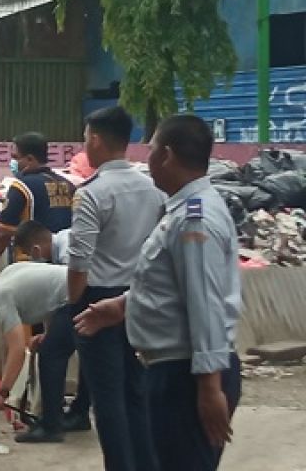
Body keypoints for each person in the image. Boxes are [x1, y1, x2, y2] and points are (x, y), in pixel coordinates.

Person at [76, 115, 242, 471]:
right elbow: (172, 288)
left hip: (186, 374)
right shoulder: (181, 210)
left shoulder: (194, 218)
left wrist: (209, 387)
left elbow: (205, 302)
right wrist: (122, 307)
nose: (145, 157)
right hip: (175, 369)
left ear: (165, 155)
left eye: (150, 148)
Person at [67, 106, 162, 471]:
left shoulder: (93, 192)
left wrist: (72, 303)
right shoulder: (151, 186)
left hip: (98, 298)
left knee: (107, 398)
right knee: (136, 390)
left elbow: (79, 260)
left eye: (85, 138)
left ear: (95, 139)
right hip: (138, 296)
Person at [0, 263, 70, 442]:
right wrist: (48, 333)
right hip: (77, 288)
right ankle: (74, 415)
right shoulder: (6, 276)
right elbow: (48, 297)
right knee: (61, 351)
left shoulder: (1, 298)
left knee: (49, 357)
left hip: (74, 296)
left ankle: (52, 427)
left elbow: (17, 350)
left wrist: (2, 392)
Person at [14, 220, 92, 433]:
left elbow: (71, 291)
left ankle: (51, 421)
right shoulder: (62, 244)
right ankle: (79, 413)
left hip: (88, 298)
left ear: (36, 249)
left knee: (51, 353)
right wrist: (49, 331)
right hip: (94, 297)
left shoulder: (67, 249)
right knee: (88, 354)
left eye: (31, 254)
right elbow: (55, 298)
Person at [0, 131, 76, 276]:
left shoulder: (22, 187)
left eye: (16, 157)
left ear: (29, 159)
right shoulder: (68, 185)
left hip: (30, 266)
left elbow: (3, 232)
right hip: (64, 264)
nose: (13, 163)